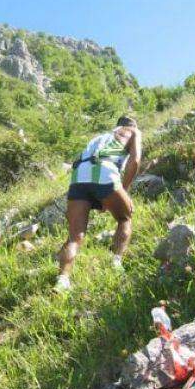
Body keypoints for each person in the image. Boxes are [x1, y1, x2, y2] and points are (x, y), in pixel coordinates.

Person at [55, 116, 142, 292]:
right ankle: (115, 263)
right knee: (125, 217)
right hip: (105, 172)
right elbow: (135, 160)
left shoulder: (100, 137)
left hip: (79, 176)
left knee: (74, 237)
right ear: (131, 125)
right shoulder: (133, 131)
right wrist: (123, 189)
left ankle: (62, 280)